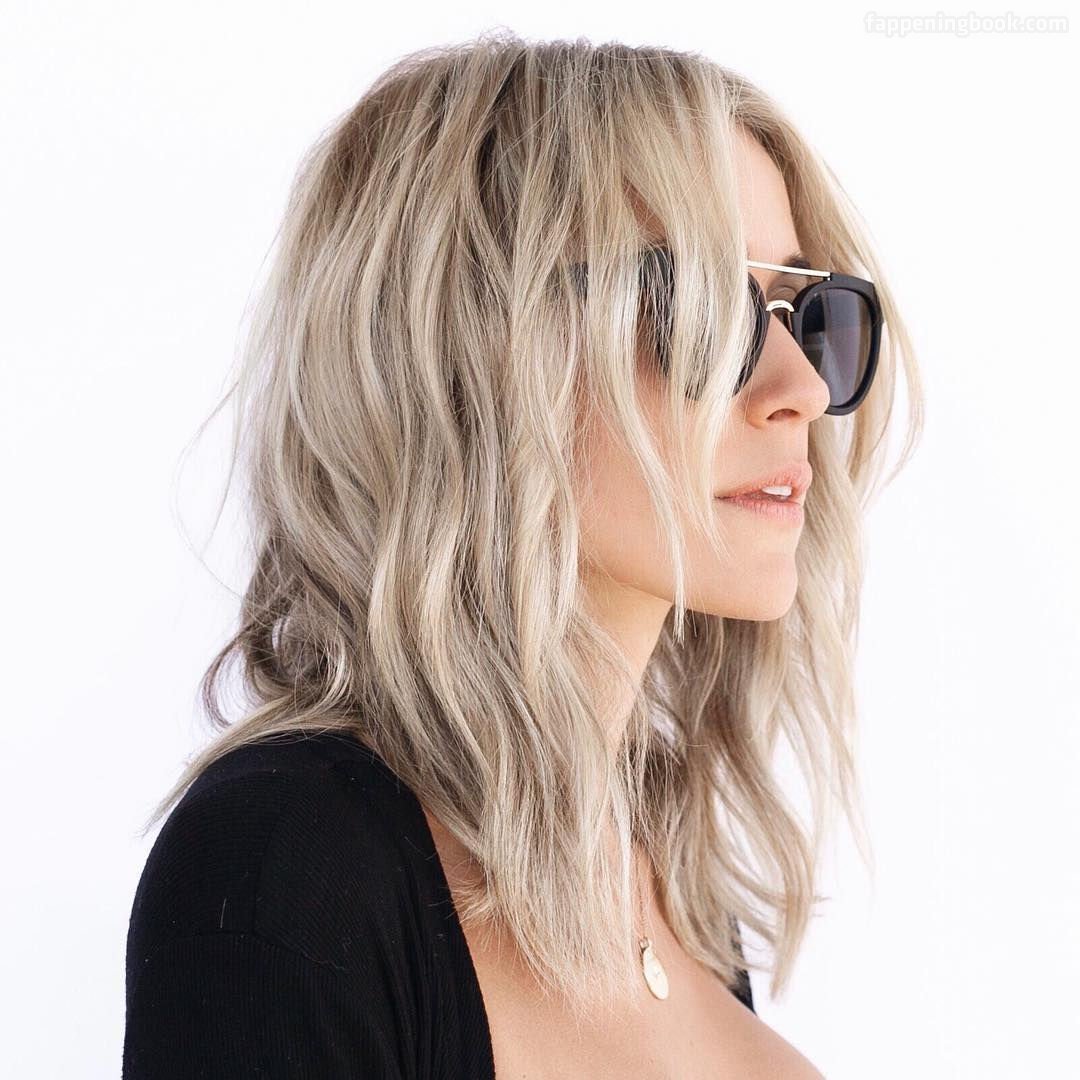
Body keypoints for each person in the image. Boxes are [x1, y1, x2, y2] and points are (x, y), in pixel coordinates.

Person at [122, 32, 923, 1079]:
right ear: (473, 356)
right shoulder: (290, 865)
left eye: (810, 316)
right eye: (698, 311)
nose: (802, 389)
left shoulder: (671, 892)